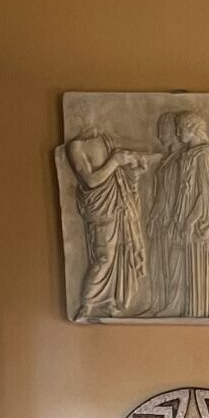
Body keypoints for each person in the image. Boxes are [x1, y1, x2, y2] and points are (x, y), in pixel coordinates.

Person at [65, 132, 159, 320]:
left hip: (119, 206)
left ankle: (114, 301)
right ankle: (86, 304)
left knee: (124, 254)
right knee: (104, 258)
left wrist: (133, 174)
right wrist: (115, 160)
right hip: (101, 209)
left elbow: (120, 177)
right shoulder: (76, 146)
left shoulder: (106, 138)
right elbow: (90, 181)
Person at [148, 110, 209, 318]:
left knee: (198, 271)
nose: (177, 133)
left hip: (198, 224)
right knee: (179, 261)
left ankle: (199, 313)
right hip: (183, 219)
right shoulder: (190, 155)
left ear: (192, 129)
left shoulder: (204, 156)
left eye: (180, 128)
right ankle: (176, 306)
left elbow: (205, 194)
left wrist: (190, 221)